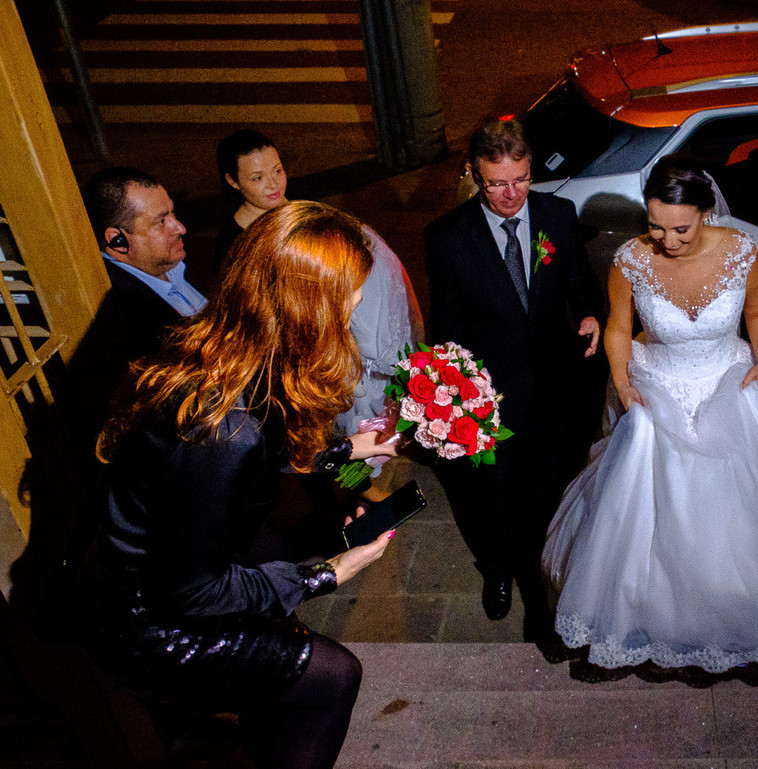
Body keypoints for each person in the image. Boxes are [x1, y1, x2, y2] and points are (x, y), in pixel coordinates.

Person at [76, 202, 399, 769]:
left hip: (163, 580)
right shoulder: (223, 425)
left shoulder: (231, 349)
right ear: (307, 306)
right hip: (148, 624)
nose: (354, 308)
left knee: (278, 667)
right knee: (332, 676)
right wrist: (325, 574)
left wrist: (341, 453)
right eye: (348, 295)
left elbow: (249, 459)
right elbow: (194, 592)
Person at [541, 155, 758, 673]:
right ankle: (660, 612)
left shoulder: (742, 254)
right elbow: (617, 327)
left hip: (728, 380)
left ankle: (744, 607)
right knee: (654, 504)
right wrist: (623, 381)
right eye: (655, 226)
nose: (667, 240)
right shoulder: (630, 260)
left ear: (705, 213)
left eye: (679, 228)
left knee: (745, 511)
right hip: (659, 385)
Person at [424, 119, 606, 639]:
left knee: (544, 488)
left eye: (522, 180)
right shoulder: (447, 236)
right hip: (489, 395)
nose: (511, 195)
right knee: (494, 493)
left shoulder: (559, 214)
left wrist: (591, 314)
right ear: (473, 175)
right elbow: (447, 328)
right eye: (497, 184)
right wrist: (462, 403)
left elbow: (579, 286)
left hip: (553, 386)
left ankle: (541, 578)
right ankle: (499, 569)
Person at [215, 128, 424, 432]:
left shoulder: (299, 212)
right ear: (232, 181)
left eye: (277, 170)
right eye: (257, 178)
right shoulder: (235, 245)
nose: (274, 184)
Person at [82, 166, 206, 358]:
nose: (180, 228)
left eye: (173, 214)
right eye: (161, 222)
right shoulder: (128, 312)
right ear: (118, 240)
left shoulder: (171, 265)